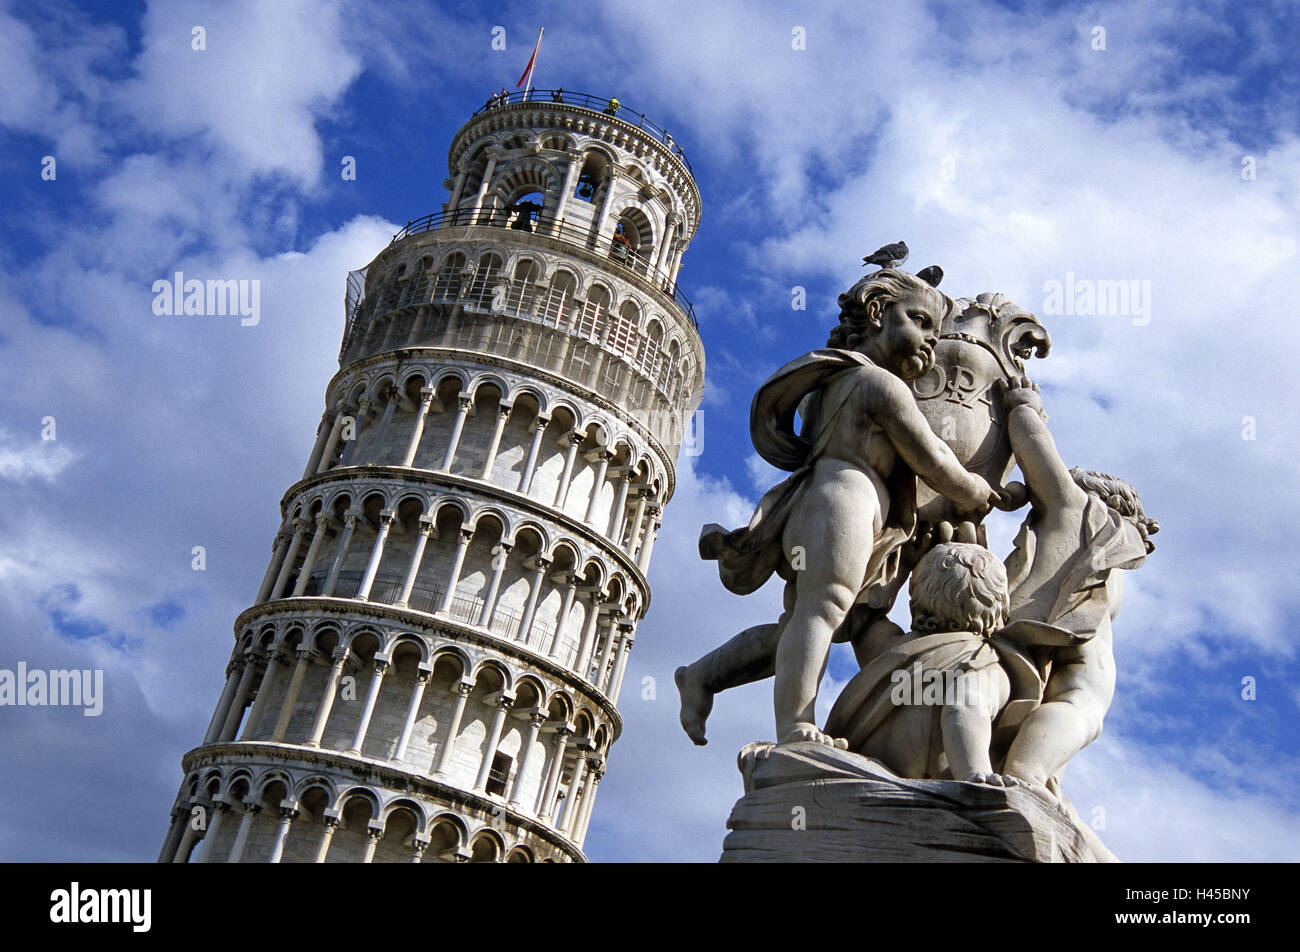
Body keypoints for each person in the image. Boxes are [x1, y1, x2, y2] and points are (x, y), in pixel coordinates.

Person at [691, 270, 1003, 747]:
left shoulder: (836, 377)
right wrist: (974, 491)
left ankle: (701, 676)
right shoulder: (879, 384)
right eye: (919, 321)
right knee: (822, 610)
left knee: (816, 621)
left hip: (832, 504)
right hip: (844, 499)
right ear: (878, 313)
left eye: (935, 333)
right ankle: (795, 728)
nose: (928, 339)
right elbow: (933, 458)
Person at [992, 377, 1156, 793]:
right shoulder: (1100, 537)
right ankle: (1026, 777)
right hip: (1077, 667)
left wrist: (1025, 408)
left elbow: (1039, 457)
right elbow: (1038, 457)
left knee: (1068, 712)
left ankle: (1031, 777)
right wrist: (1023, 408)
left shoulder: (1082, 513)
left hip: (1053, 655)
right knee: (1076, 708)